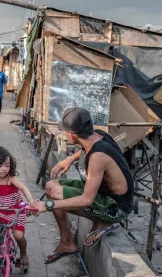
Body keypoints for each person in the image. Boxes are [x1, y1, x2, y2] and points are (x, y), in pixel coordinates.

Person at [31, 107, 134, 264]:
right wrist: (70, 159)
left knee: (56, 194)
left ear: (71, 136)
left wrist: (47, 205)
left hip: (116, 206)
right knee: (51, 185)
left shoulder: (97, 157)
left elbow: (86, 200)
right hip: (103, 192)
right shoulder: (99, 135)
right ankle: (67, 242)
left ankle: (105, 221)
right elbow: (88, 148)